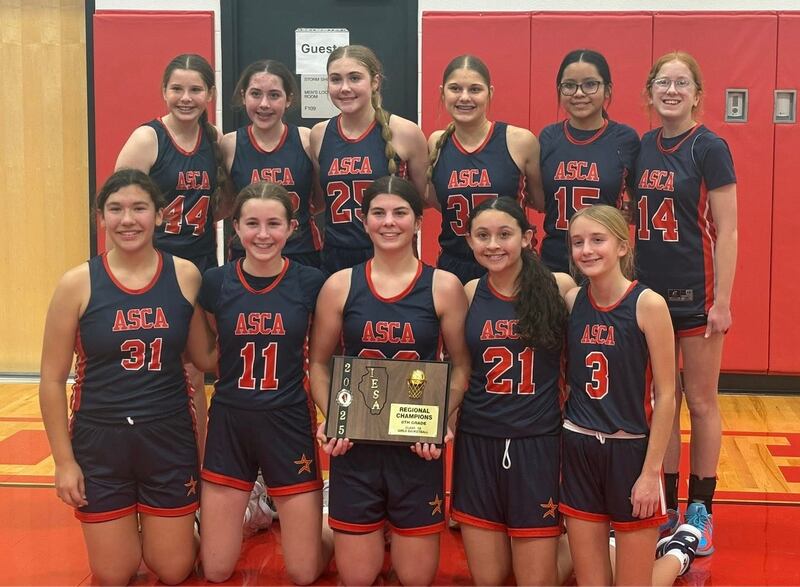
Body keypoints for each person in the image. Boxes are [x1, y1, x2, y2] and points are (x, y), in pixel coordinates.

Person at [39, 169, 202, 585]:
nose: (127, 219)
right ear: (101, 218)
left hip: (168, 435)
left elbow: (199, 362)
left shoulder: (184, 275)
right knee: (114, 575)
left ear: (160, 216)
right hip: (101, 440)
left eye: (139, 208)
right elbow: (52, 380)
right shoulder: (76, 283)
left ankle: (180, 531)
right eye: (116, 209)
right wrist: (64, 462)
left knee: (173, 568)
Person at [309, 176, 470, 586]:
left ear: (418, 222)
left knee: (416, 579)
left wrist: (442, 418)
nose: (389, 222)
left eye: (400, 213)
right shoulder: (340, 285)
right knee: (358, 579)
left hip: (416, 452)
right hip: (356, 448)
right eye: (378, 213)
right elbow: (319, 364)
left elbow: (462, 366)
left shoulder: (443, 286)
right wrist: (334, 417)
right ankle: (334, 533)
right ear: (364, 222)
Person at [190, 181, 332, 584]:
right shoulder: (215, 283)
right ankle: (249, 509)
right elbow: (207, 354)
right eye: (252, 223)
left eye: (274, 223)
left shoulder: (311, 283)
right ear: (235, 228)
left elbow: (323, 359)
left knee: (304, 573)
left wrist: (333, 416)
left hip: (288, 421)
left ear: (292, 228)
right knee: (216, 570)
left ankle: (337, 529)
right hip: (231, 423)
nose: (263, 234)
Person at [635, 51, 737, 555]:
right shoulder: (641, 147)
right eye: (662, 82)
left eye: (681, 83)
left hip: (697, 296)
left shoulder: (710, 147)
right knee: (660, 402)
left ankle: (701, 508)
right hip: (649, 298)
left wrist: (724, 300)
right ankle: (665, 503)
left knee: (700, 401)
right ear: (650, 91)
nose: (671, 90)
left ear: (697, 93)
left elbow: (729, 228)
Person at [451, 197, 573, 585]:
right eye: (483, 235)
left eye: (505, 234)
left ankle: (594, 543)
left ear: (526, 237)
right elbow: (458, 367)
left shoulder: (559, 287)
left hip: (536, 444)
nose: (493, 245)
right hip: (478, 442)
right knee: (490, 581)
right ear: (469, 241)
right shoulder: (468, 292)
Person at [115, 53, 228, 453]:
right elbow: (119, 203)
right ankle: (150, 451)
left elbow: (223, 203)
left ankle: (197, 466)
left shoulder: (212, 141)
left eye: (195, 89)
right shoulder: (148, 138)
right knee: (157, 369)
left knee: (195, 371)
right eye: (177, 89)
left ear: (209, 94)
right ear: (163, 91)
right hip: (154, 269)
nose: (186, 97)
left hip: (197, 267)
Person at [561, 205, 675, 585]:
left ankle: (679, 553)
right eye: (578, 242)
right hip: (579, 448)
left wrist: (649, 473)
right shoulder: (573, 300)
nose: (587, 250)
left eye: (598, 240)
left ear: (623, 246)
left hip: (629, 453)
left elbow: (667, 397)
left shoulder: (648, 304)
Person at [310, 45, 429, 276]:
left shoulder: (405, 132)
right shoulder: (319, 134)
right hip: (335, 258)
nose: (344, 88)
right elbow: (320, 200)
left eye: (355, 78)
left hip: (392, 255)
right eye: (335, 79)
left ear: (375, 82)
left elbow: (422, 199)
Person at [428, 54, 545, 284]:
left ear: (490, 92)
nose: (464, 97)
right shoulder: (436, 142)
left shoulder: (519, 141)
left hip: (511, 265)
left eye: (474, 89)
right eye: (455, 88)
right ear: (442, 93)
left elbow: (539, 201)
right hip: (455, 265)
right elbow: (437, 200)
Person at [538, 49, 640, 274]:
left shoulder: (625, 139)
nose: (579, 93)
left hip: (605, 263)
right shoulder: (548, 137)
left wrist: (626, 213)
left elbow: (640, 200)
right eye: (569, 85)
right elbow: (537, 199)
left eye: (590, 84)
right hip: (555, 263)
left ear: (607, 90)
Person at [221, 60, 322, 266]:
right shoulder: (229, 144)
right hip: (247, 253)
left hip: (301, 253)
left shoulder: (306, 140)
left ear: (288, 99)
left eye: (274, 95)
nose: (264, 104)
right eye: (255, 94)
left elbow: (320, 201)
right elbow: (228, 203)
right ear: (243, 96)